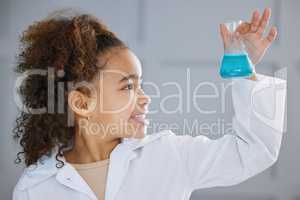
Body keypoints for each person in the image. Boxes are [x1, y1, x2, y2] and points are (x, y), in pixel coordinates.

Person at [12, 8, 286, 200]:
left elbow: (253, 151)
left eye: (140, 84)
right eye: (128, 86)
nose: (145, 97)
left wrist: (242, 66)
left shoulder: (169, 155)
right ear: (82, 103)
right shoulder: (35, 188)